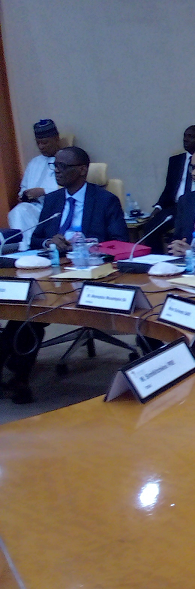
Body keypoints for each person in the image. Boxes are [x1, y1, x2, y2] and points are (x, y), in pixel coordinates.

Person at [1, 146, 126, 404]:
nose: (56, 171)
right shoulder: (54, 200)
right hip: (53, 272)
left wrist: (86, 245)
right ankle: (20, 379)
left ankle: (18, 375)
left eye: (62, 167)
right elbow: (36, 238)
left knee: (29, 316)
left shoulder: (105, 200)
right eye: (54, 166)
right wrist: (49, 242)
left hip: (90, 274)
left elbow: (120, 242)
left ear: (82, 170)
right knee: (26, 313)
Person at [146, 125, 195, 252]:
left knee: (184, 233)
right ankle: (157, 261)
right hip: (177, 207)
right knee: (150, 227)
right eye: (185, 136)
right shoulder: (175, 160)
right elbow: (169, 189)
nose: (186, 139)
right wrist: (158, 207)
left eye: (191, 136)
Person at [7, 119, 62, 249]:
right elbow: (23, 188)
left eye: (45, 142)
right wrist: (25, 195)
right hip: (34, 208)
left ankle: (27, 249)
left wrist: (43, 191)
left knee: (20, 212)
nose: (41, 146)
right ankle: (24, 249)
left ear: (56, 138)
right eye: (38, 143)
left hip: (56, 209)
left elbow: (73, 188)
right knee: (18, 211)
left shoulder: (67, 159)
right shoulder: (34, 163)